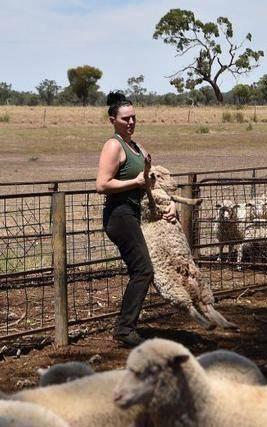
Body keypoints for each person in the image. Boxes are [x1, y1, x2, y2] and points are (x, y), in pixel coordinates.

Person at [96, 91, 177, 347]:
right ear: (113, 120)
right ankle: (124, 329)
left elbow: (153, 182)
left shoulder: (138, 147)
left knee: (141, 270)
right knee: (143, 270)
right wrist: (135, 181)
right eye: (125, 119)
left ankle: (126, 326)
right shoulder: (114, 146)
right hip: (119, 215)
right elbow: (102, 184)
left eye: (133, 117)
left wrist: (170, 203)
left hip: (135, 214)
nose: (131, 122)